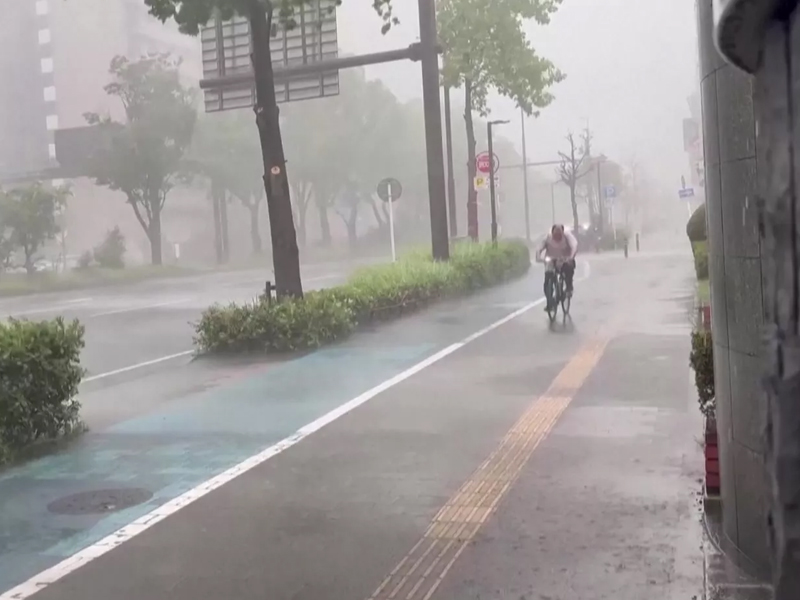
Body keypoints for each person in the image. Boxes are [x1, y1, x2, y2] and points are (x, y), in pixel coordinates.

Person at [536, 224, 578, 311]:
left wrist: (571, 257)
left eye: (559, 234)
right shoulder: (547, 238)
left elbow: (574, 246)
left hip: (564, 260)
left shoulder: (568, 237)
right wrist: (538, 256)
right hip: (551, 261)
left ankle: (568, 287)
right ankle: (550, 301)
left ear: (563, 233)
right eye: (555, 234)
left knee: (569, 269)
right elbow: (539, 248)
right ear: (552, 233)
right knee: (547, 280)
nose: (557, 236)